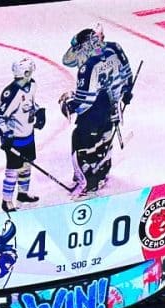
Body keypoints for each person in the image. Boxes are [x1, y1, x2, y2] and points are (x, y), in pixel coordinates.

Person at [60, 25, 134, 198]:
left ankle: (87, 182)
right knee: (104, 140)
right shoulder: (114, 48)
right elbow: (127, 74)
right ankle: (102, 174)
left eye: (80, 48)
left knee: (81, 141)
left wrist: (69, 104)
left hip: (94, 112)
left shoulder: (88, 66)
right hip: (112, 105)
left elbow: (85, 100)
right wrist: (127, 92)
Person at [0, 57, 45, 212]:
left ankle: (22, 194)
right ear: (25, 72)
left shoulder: (32, 85)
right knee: (13, 171)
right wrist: (6, 136)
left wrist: (39, 111)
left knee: (26, 167)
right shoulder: (11, 93)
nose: (32, 73)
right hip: (15, 140)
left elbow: (29, 103)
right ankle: (6, 201)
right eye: (30, 70)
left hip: (29, 135)